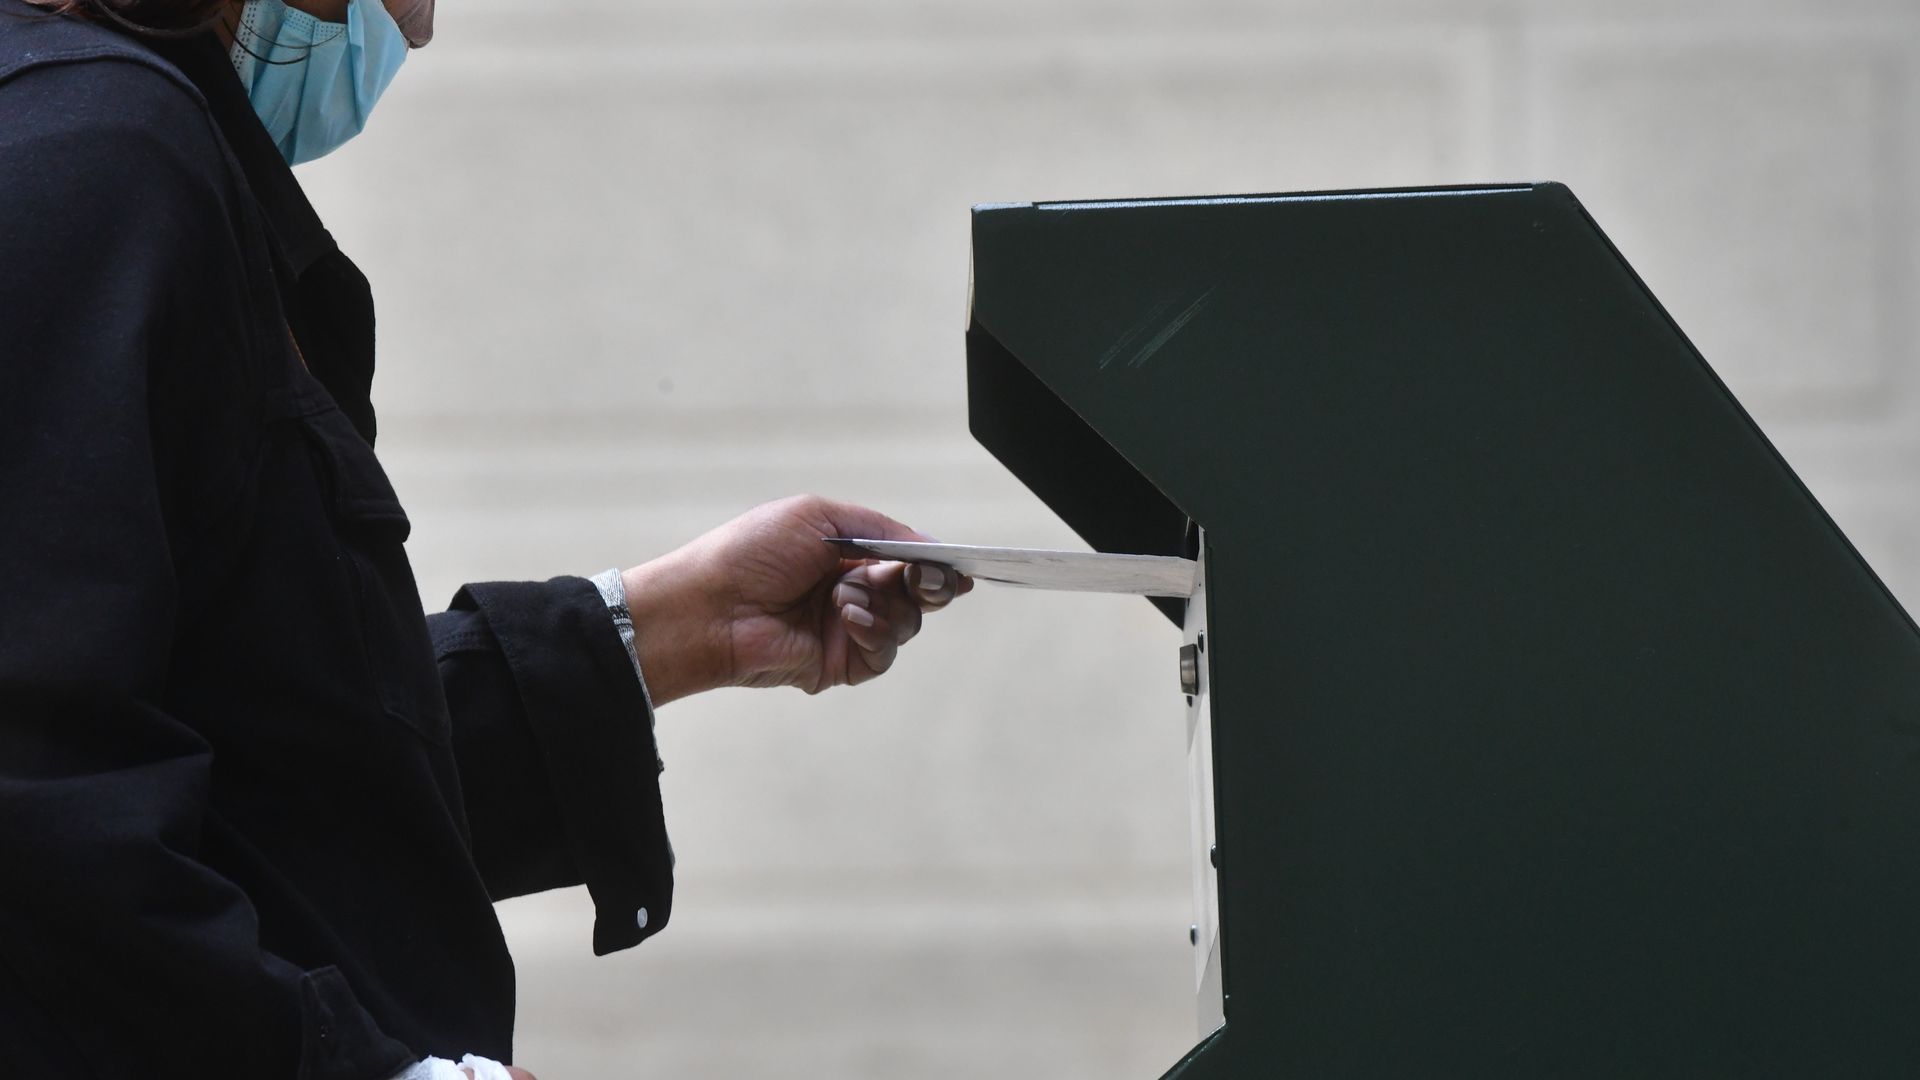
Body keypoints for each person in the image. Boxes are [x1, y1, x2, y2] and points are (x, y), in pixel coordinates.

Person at [0, 0, 968, 1076]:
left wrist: (676, 627)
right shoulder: (89, 150)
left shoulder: (93, 136)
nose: (415, 27)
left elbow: (250, 751)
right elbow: (40, 805)